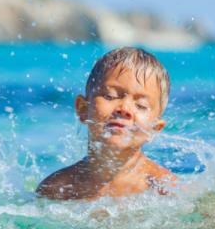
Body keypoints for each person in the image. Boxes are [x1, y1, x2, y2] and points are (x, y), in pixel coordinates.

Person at [36, 47, 176, 200]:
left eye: (141, 105)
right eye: (110, 96)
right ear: (83, 109)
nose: (124, 109)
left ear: (154, 129)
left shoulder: (163, 188)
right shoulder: (57, 188)